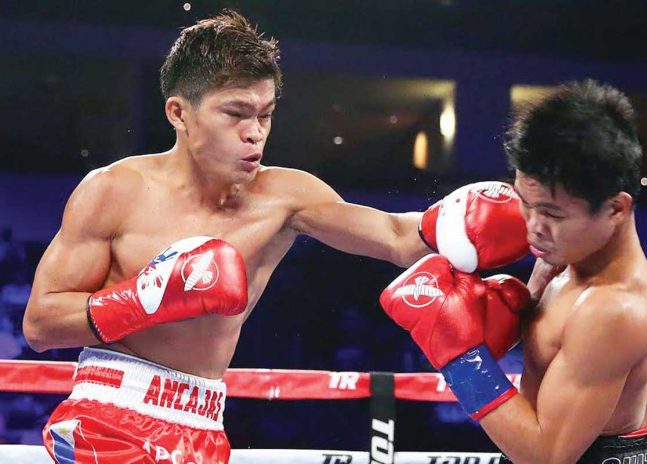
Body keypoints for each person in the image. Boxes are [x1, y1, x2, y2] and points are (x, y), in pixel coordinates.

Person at [22, 10, 529, 464]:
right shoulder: (114, 190)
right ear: (179, 114)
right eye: (236, 113)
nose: (255, 132)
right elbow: (42, 325)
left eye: (265, 114)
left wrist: (463, 219)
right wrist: (147, 298)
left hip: (202, 424)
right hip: (109, 411)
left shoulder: (285, 196)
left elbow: (396, 237)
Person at [381, 80, 647, 463]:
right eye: (525, 203)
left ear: (616, 209)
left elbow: (546, 456)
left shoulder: (612, 309)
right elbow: (550, 350)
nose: (532, 226)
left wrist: (461, 358)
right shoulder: (567, 256)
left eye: (550, 212)